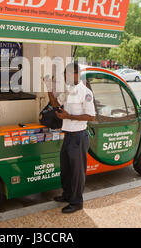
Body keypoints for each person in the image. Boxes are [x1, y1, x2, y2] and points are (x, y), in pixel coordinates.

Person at [47, 62, 96, 213]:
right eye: (64, 74)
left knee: (77, 172)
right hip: (68, 136)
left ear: (76, 74)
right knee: (66, 169)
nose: (65, 77)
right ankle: (67, 195)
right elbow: (56, 104)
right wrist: (49, 89)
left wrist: (69, 116)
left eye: (67, 74)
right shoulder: (68, 91)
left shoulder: (86, 92)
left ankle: (76, 202)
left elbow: (91, 116)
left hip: (79, 137)